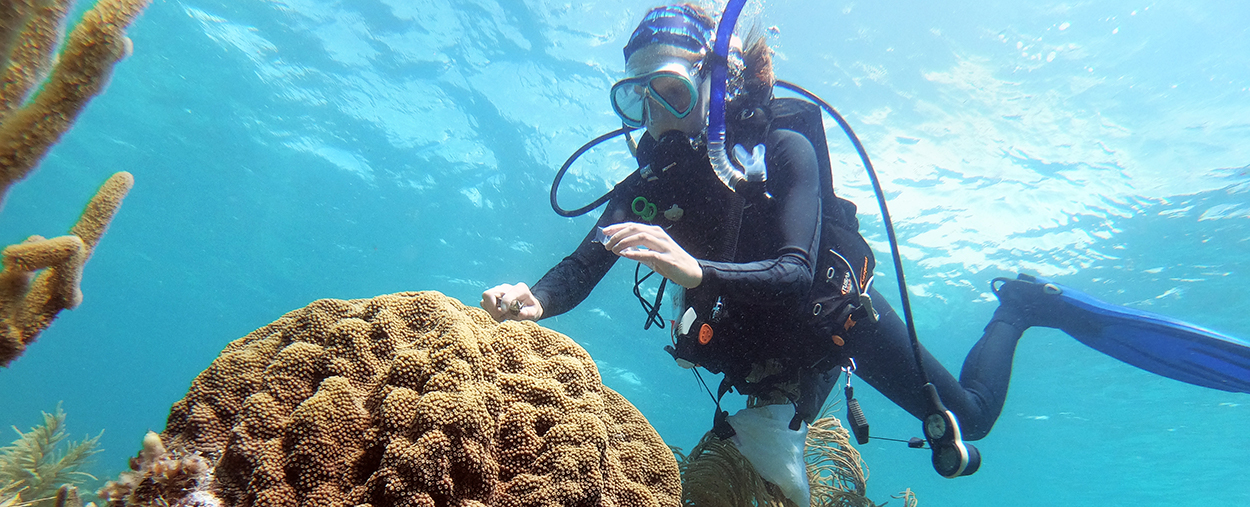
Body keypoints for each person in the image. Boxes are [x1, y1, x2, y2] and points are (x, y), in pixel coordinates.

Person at [482, 1, 1250, 483]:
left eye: (671, 91)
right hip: (762, 353)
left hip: (826, 315)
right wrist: (536, 297)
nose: (653, 115)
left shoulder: (785, 148)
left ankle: (1020, 309)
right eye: (635, 95)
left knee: (971, 417)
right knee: (762, 423)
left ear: (713, 83)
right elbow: (588, 258)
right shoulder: (653, 180)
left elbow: (791, 270)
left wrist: (692, 265)